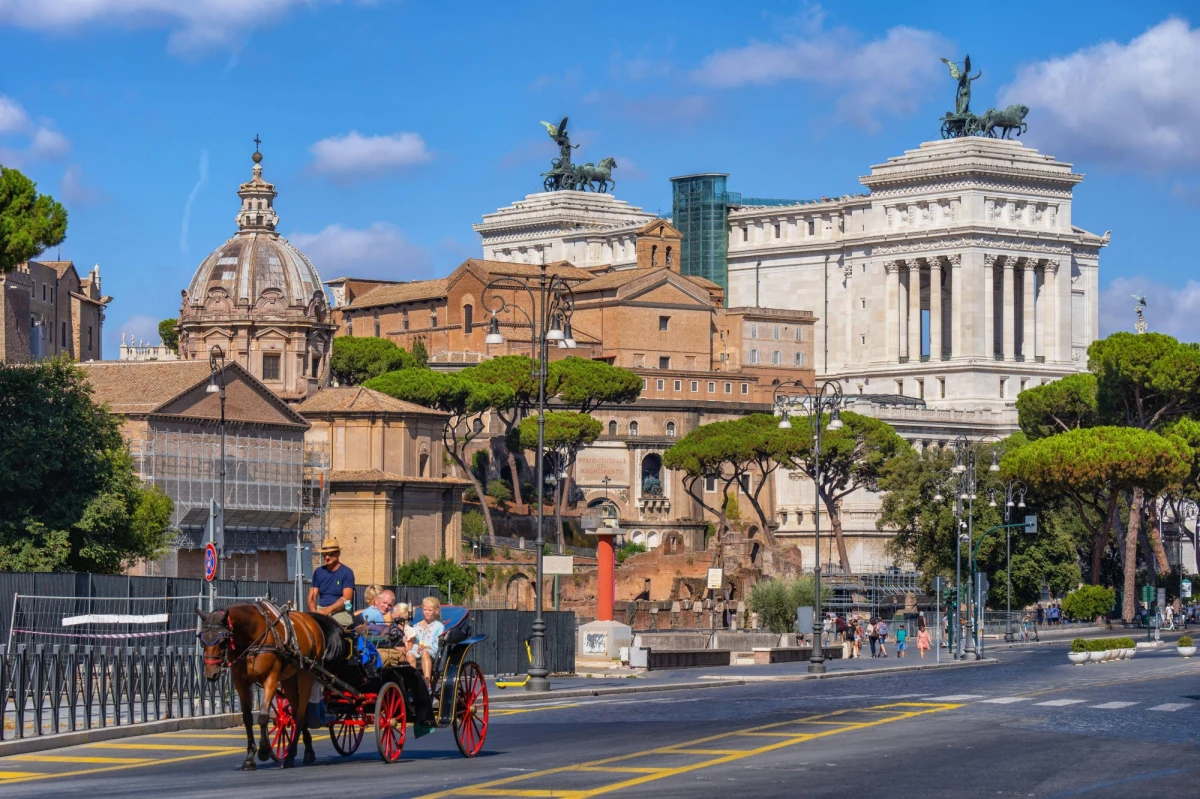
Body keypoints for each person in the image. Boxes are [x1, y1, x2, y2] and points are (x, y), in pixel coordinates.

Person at [308, 537, 355, 627]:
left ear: (338, 553)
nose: (326, 557)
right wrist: (314, 613)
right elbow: (312, 597)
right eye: (324, 554)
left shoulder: (347, 572)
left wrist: (327, 610)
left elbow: (347, 598)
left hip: (340, 611)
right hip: (320, 610)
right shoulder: (318, 572)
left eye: (330, 554)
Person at [407, 597, 445, 691]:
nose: (426, 612)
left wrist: (424, 647)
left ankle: (427, 684)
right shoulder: (416, 625)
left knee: (425, 652)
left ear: (436, 611)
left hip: (431, 651)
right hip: (417, 650)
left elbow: (436, 646)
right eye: (424, 609)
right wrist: (417, 646)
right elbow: (413, 642)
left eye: (430, 610)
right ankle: (412, 683)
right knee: (410, 654)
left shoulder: (439, 626)